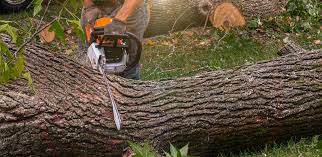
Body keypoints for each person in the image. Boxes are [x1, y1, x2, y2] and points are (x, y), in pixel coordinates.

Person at [79, 0, 148, 80]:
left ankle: (129, 87)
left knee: (126, 63)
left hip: (127, 6)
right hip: (94, 4)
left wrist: (120, 20)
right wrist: (89, 6)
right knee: (86, 57)